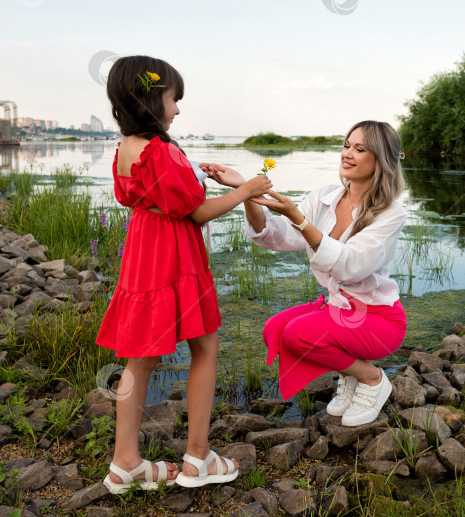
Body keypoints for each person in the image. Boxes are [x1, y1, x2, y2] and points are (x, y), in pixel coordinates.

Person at [95, 55, 273, 493]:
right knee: (205, 345)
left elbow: (154, 197)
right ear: (151, 98)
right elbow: (196, 213)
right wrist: (247, 189)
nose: (177, 109)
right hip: (175, 257)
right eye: (174, 99)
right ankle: (197, 457)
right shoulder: (163, 151)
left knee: (139, 357)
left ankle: (125, 462)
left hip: (143, 256)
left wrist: (193, 171)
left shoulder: (125, 149)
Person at [202, 120, 407, 426]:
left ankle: (372, 379)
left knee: (298, 334)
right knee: (275, 328)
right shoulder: (325, 196)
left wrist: (298, 216)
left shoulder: (391, 213)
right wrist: (245, 191)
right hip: (340, 309)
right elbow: (277, 235)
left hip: (378, 318)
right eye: (346, 145)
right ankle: (350, 374)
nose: (347, 154)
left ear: (381, 159)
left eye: (359, 149)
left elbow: (351, 267)